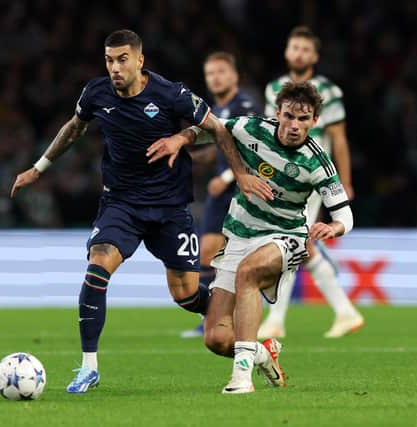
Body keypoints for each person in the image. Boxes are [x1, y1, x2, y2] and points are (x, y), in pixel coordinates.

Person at [10, 29, 273, 394]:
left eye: (121, 59)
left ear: (139, 60)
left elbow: (218, 129)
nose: (114, 68)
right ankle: (88, 366)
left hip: (169, 208)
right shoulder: (96, 93)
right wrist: (38, 167)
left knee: (187, 295)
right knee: (97, 268)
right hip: (121, 205)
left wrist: (228, 169)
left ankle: (251, 344)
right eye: (109, 60)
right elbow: (74, 128)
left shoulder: (170, 93)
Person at [148, 81, 354, 394]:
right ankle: (260, 352)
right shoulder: (250, 128)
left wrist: (333, 228)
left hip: (286, 238)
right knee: (216, 339)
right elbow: (212, 128)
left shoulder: (318, 161)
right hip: (240, 235)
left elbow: (345, 216)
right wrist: (181, 137)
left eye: (303, 119)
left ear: (314, 121)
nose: (294, 125)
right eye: (289, 116)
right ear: (278, 113)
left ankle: (241, 378)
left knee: (249, 273)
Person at [259, 26, 363, 339]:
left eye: (306, 49)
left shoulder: (328, 91)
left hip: (313, 174)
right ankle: (345, 311)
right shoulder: (274, 88)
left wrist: (344, 181)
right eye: (295, 47)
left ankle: (275, 320)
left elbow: (338, 139)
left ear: (314, 56)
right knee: (300, 244)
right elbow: (269, 134)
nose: (299, 53)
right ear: (287, 51)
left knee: (289, 238)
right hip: (281, 176)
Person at [180, 51, 260, 339]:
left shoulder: (246, 105)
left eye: (221, 72)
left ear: (234, 76)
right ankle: (211, 319)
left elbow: (252, 146)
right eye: (210, 73)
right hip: (221, 191)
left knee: (241, 258)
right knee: (208, 253)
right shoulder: (215, 110)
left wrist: (226, 176)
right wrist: (194, 156)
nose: (215, 78)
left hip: (243, 189)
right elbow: (221, 145)